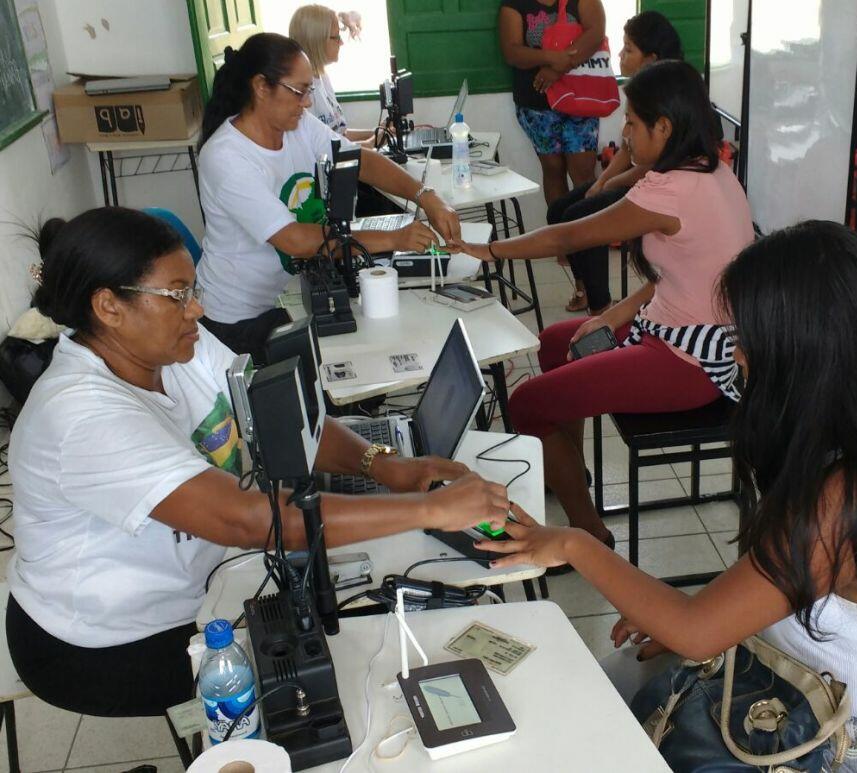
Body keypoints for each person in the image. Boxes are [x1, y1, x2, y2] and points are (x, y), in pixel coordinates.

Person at [480, 221, 857, 772]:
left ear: (801, 349)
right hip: (810, 680)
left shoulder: (854, 491)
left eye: (745, 337)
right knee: (606, 684)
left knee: (597, 731)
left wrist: (572, 544)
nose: (735, 354)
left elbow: (698, 628)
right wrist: (701, 617)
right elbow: (774, 589)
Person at [5, 207, 509, 718]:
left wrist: (382, 466)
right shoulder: (81, 415)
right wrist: (431, 511)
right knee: (336, 678)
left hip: (200, 583)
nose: (196, 309)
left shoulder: (172, 349)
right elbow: (248, 520)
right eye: (178, 295)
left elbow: (285, 416)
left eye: (193, 289)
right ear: (109, 306)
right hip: (107, 643)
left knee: (354, 608)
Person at [454, 60, 753, 554]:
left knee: (526, 403)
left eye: (633, 122)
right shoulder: (713, 169)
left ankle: (588, 533)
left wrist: (488, 250)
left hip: (692, 360)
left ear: (664, 127)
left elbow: (572, 234)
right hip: (685, 332)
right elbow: (687, 274)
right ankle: (569, 469)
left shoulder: (672, 187)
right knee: (555, 343)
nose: (624, 132)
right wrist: (618, 312)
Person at [195, 33, 460, 358]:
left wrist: (426, 195)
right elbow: (295, 240)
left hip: (292, 293)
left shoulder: (298, 125)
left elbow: (358, 160)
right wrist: (393, 238)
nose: (307, 102)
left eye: (310, 90)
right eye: (299, 91)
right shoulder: (226, 157)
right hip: (241, 320)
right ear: (261, 87)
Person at [549, 11, 683, 314]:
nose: (620, 55)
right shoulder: (643, 88)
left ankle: (602, 307)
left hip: (662, 187)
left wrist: (611, 183)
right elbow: (626, 149)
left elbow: (655, 166)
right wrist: (600, 182)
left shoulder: (670, 95)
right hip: (642, 178)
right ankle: (584, 288)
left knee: (584, 215)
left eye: (628, 49)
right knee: (559, 209)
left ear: (651, 58)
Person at [498, 0, 606, 207]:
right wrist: (552, 58)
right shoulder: (513, 3)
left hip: (579, 98)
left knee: (583, 170)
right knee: (553, 168)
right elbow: (512, 51)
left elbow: (595, 34)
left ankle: (589, 236)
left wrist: (557, 69)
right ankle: (560, 233)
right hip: (536, 101)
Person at [288, 4, 378, 145]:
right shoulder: (302, 93)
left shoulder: (322, 77)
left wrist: (375, 132)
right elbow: (333, 149)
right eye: (336, 37)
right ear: (316, 40)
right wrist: (375, 140)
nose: (341, 42)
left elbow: (339, 134)